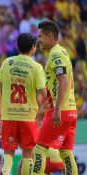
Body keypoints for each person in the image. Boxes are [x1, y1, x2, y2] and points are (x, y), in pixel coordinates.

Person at [0, 33, 47, 175]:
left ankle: (5, 173)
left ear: (18, 46)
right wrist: (44, 108)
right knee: (28, 154)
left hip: (9, 115)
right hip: (29, 117)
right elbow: (45, 95)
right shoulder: (36, 67)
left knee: (8, 152)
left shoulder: (7, 62)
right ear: (33, 47)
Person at [32, 20, 78, 175]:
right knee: (66, 152)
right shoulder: (62, 51)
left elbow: (63, 80)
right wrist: (45, 107)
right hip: (71, 111)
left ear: (50, 36)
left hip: (61, 111)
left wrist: (56, 109)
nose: (38, 40)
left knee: (39, 148)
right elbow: (57, 86)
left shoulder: (55, 54)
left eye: (40, 36)